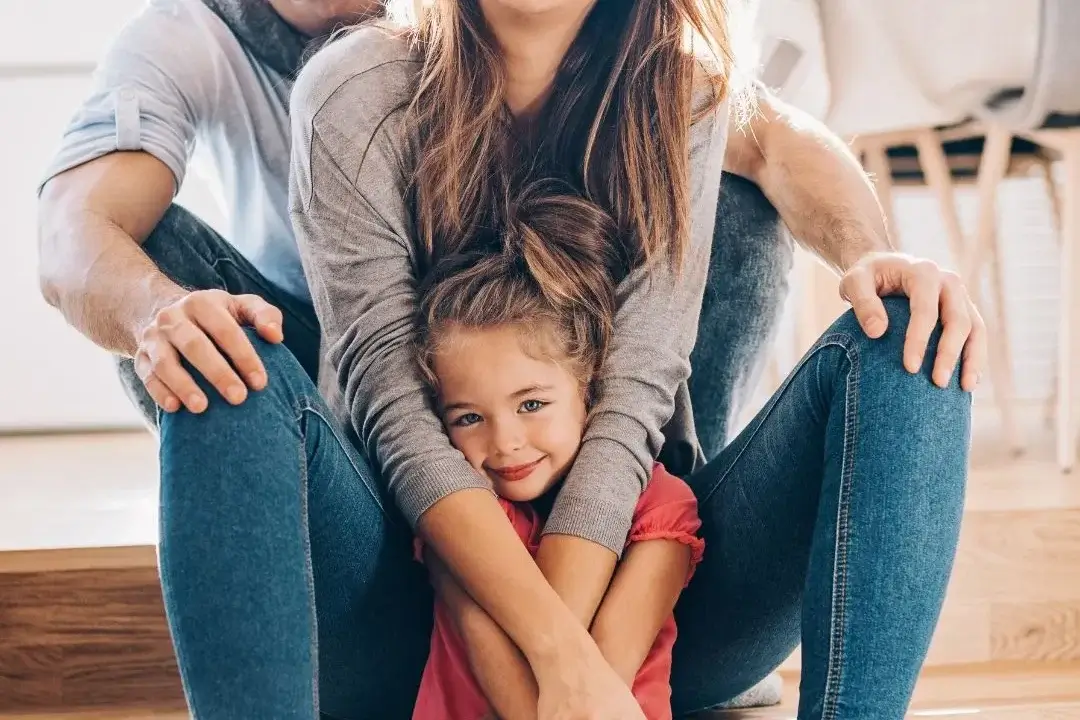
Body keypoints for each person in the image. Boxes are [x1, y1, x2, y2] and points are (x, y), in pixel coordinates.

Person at [34, 2, 984, 720]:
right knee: (220, 356)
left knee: (910, 330)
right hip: (407, 602)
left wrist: (571, 667)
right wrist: (556, 668)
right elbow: (388, 403)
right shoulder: (355, 83)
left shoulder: (681, 91)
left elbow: (636, 400)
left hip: (639, 597)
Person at [410, 188, 705, 720]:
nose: (505, 442)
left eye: (531, 404)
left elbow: (599, 676)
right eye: (469, 418)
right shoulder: (463, 516)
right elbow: (487, 655)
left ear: (588, 389)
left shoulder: (659, 508)